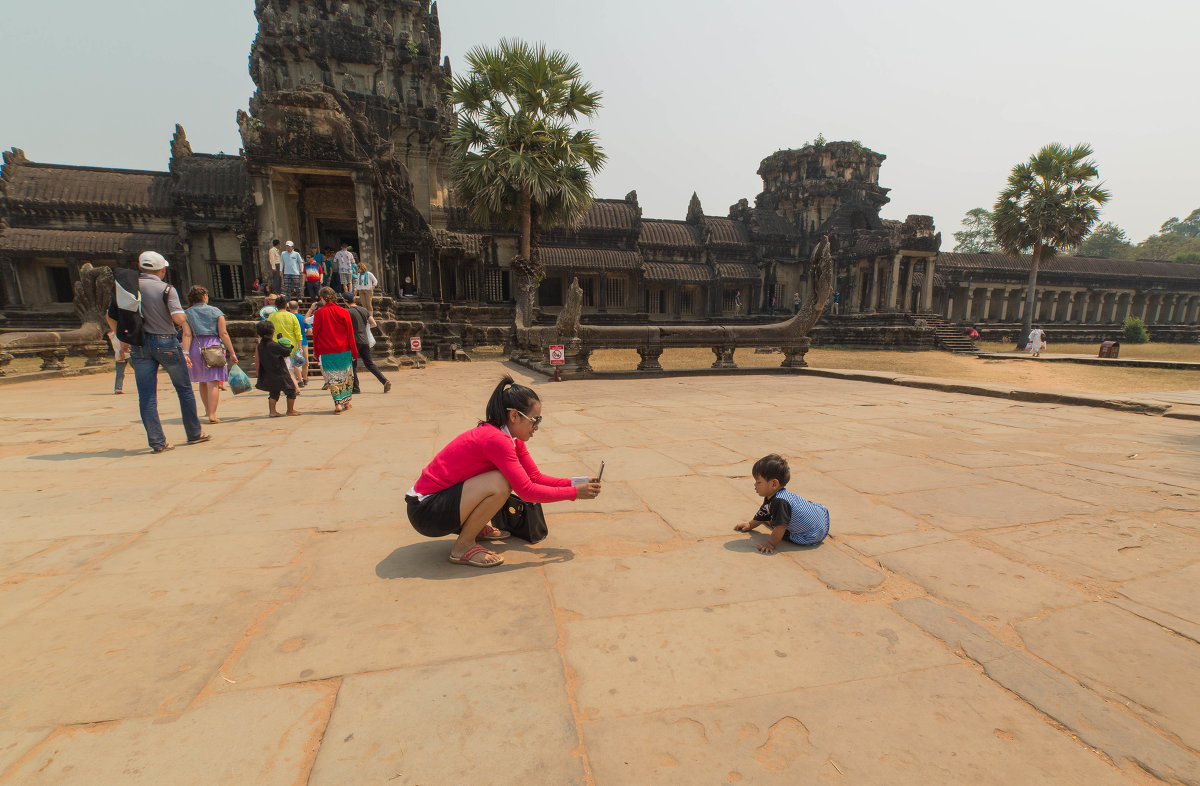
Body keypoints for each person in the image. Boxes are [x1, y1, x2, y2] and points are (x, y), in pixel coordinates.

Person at [406, 376, 602, 567]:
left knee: (501, 480)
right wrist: (575, 494)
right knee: (501, 482)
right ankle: (463, 547)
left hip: (440, 503)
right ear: (514, 415)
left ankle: (474, 527)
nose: (536, 427)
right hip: (426, 512)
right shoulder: (496, 439)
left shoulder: (510, 437)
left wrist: (578, 483)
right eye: (534, 420)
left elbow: (535, 477)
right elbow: (526, 491)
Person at [105, 251, 209, 453]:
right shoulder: (166, 289)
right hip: (165, 342)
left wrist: (123, 340)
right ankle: (194, 433)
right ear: (161, 270)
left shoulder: (126, 289)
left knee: (147, 396)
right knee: (184, 389)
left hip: (139, 346)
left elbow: (110, 317)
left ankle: (157, 442)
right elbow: (178, 319)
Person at [734, 454, 829, 554]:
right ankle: (774, 519)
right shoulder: (775, 495)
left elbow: (780, 528)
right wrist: (750, 525)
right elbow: (764, 511)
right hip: (821, 518)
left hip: (810, 535)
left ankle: (774, 521)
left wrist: (771, 543)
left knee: (779, 525)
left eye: (758, 482)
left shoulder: (780, 502)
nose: (755, 485)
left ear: (774, 484)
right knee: (778, 514)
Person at [183, 286, 238, 424]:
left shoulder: (187, 313)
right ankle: (212, 414)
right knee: (213, 381)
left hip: (195, 346)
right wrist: (232, 352)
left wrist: (186, 353)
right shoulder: (215, 311)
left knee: (202, 380)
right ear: (204, 296)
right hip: (213, 346)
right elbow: (223, 333)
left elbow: (186, 334)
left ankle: (208, 409)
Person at [309, 286, 358, 414]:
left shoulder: (319, 313)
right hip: (344, 349)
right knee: (346, 375)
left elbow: (316, 334)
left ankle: (338, 404)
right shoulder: (344, 312)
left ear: (321, 298)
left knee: (332, 377)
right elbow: (350, 333)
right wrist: (354, 350)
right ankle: (346, 401)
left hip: (327, 351)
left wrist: (316, 351)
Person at [345, 292, 391, 394]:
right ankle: (384, 381)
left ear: (345, 301)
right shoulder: (364, 310)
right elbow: (373, 324)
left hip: (354, 341)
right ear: (354, 300)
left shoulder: (347, 312)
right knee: (369, 363)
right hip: (364, 340)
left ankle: (356, 388)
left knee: (352, 365)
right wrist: (363, 328)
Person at [253, 320, 300, 417]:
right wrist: (288, 345)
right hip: (280, 372)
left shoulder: (260, 346)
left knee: (274, 392)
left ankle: (272, 411)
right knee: (291, 390)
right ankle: (290, 410)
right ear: (272, 332)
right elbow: (286, 352)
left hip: (268, 372)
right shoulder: (274, 345)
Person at [268, 295, 304, 387]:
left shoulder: (271, 316)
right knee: (294, 365)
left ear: (276, 306)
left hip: (277, 344)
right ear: (286, 305)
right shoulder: (292, 316)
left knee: (281, 366)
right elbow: (298, 333)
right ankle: (300, 380)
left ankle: (287, 382)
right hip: (292, 345)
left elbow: (269, 331)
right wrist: (300, 347)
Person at [286, 300, 309, 387]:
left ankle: (296, 378)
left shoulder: (288, 317)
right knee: (304, 362)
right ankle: (305, 378)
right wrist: (305, 331)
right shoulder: (302, 318)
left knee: (293, 362)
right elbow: (310, 330)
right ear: (298, 307)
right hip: (303, 341)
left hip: (291, 342)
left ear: (289, 308)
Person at [108, 328, 129, 394]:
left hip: (120, 354)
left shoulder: (112, 334)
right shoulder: (123, 331)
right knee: (139, 371)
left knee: (120, 373)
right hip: (127, 353)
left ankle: (118, 388)